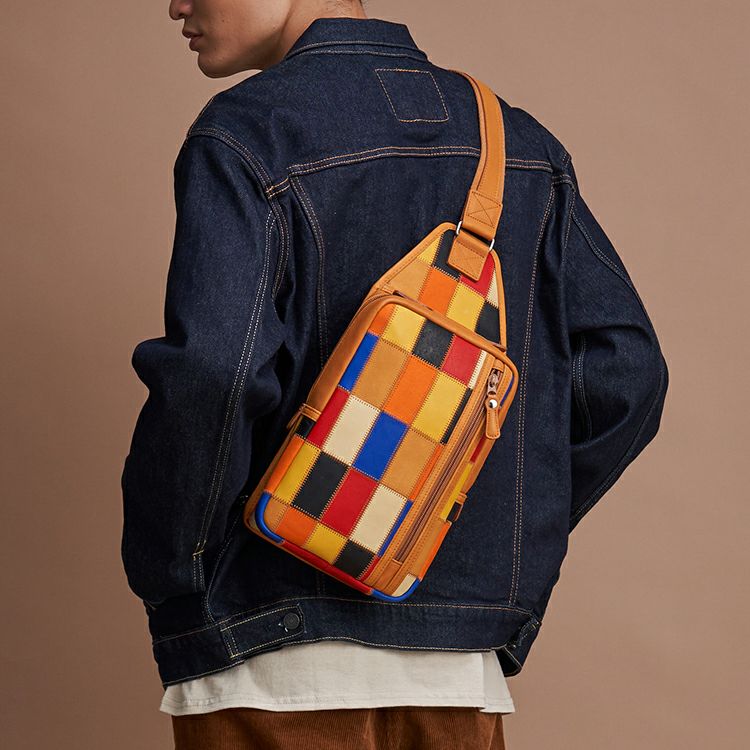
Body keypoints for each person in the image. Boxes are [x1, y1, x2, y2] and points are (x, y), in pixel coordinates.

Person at [120, 2, 669, 748]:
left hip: (266, 660)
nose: (176, 4)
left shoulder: (247, 133)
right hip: (457, 677)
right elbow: (627, 375)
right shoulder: (516, 143)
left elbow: (216, 372)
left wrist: (175, 573)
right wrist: (460, 517)